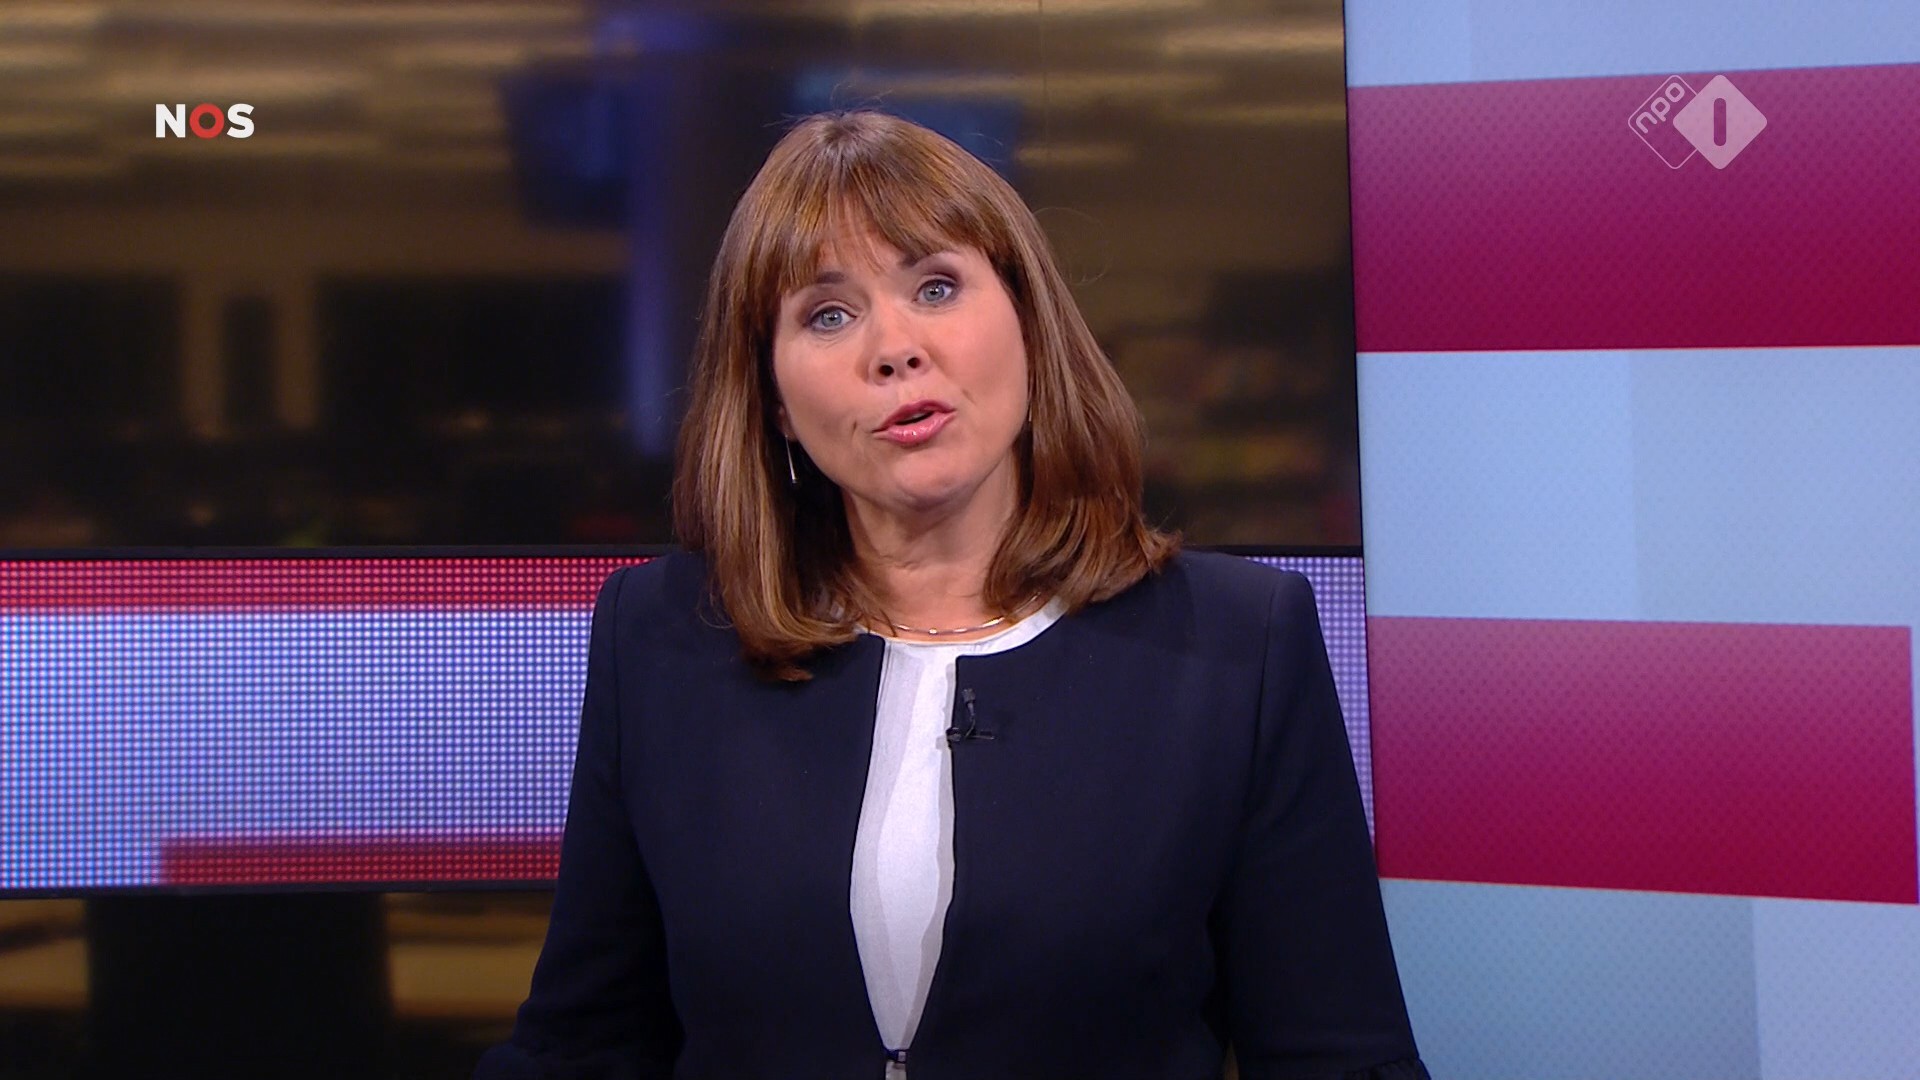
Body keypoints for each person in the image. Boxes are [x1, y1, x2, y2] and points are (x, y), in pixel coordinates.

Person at [476, 110, 1426, 1080]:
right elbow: (582, 1048)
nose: (894, 349)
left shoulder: (1239, 645)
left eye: (935, 287)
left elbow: (1338, 1060)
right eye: (828, 315)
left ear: (1028, 321)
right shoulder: (661, 638)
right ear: (773, 401)